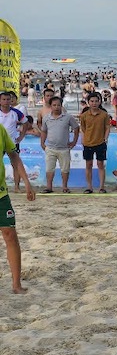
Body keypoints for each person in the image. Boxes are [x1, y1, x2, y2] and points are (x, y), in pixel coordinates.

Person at [0, 120, 36, 293]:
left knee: (10, 235)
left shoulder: (0, 129)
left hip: (0, 194)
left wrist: (27, 183)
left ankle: (16, 285)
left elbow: (14, 156)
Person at [39, 96, 79, 194]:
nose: (56, 107)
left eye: (58, 105)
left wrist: (74, 141)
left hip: (64, 148)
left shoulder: (68, 117)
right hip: (50, 148)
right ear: (51, 106)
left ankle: (65, 187)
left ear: (61, 106)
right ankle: (49, 187)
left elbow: (76, 128)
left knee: (65, 169)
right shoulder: (46, 118)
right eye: (54, 105)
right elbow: (44, 131)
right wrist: (42, 143)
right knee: (49, 169)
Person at [78, 91, 112, 194]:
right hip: (88, 143)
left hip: (100, 143)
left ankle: (101, 187)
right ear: (88, 102)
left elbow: (107, 127)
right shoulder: (84, 115)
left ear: (100, 102)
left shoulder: (104, 115)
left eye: (96, 101)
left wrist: (105, 139)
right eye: (92, 101)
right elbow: (82, 128)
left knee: (100, 165)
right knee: (88, 165)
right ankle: (89, 187)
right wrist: (83, 140)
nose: (94, 103)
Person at [0, 92, 28, 192]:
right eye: (4, 99)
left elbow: (26, 123)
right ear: (0, 101)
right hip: (0, 143)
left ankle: (16, 187)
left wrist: (22, 136)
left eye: (8, 99)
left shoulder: (16, 112)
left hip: (12, 142)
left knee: (16, 165)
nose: (6, 101)